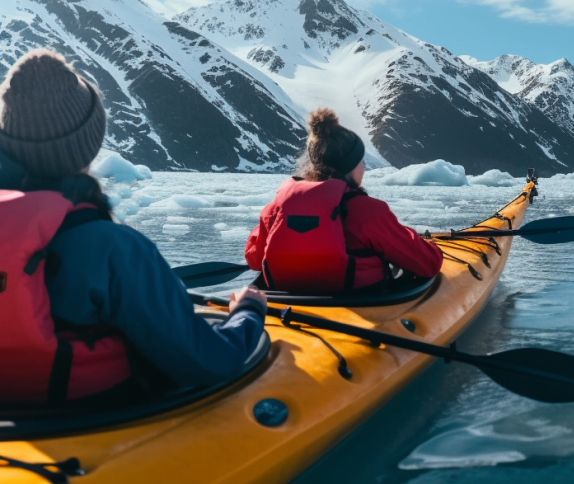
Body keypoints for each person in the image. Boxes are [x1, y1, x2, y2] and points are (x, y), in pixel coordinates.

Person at [0, 50, 268, 404]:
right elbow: (209, 362)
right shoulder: (115, 249)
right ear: (87, 146)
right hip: (96, 416)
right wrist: (247, 313)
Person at [245, 109, 442, 294]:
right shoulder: (369, 212)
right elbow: (428, 262)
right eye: (360, 161)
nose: (364, 168)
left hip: (289, 303)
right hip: (360, 303)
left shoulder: (276, 209)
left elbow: (254, 259)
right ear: (349, 166)